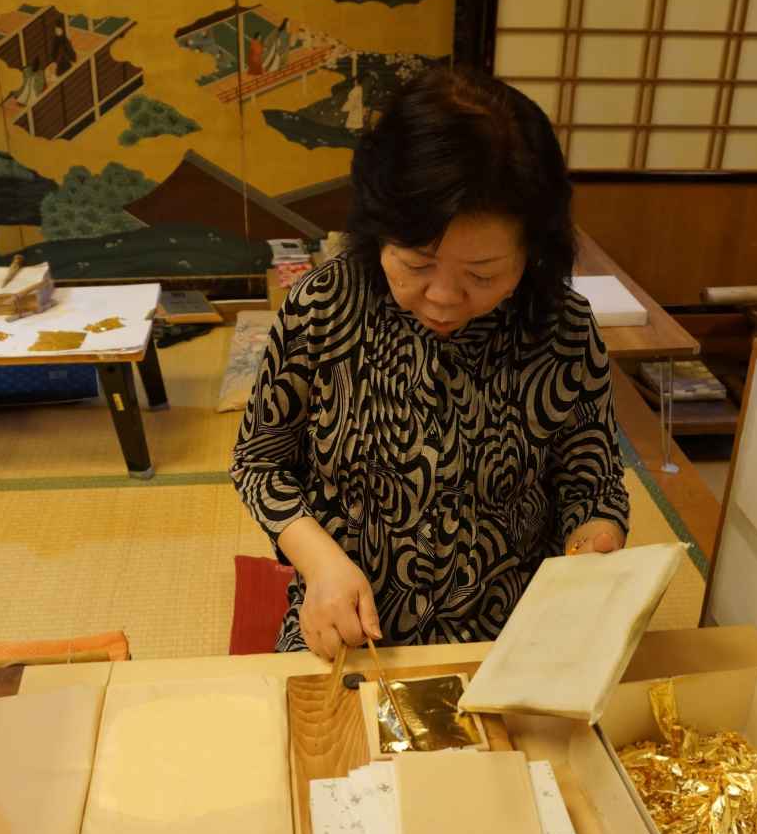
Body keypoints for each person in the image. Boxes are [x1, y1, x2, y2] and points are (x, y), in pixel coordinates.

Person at [230, 68, 630, 660]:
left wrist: (595, 540)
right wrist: (319, 564)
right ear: (377, 230)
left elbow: (591, 481)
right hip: (345, 620)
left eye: (482, 275)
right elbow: (259, 463)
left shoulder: (561, 327)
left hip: (515, 637)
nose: (443, 298)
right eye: (417, 264)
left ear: (532, 250)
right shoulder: (321, 308)